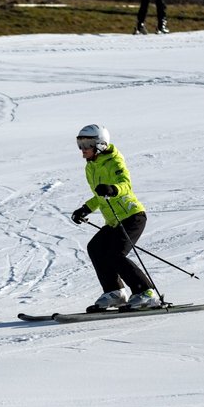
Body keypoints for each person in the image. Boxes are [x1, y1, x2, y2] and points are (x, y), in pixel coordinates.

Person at [70, 124, 162, 310]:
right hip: (114, 220)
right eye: (80, 143)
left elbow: (125, 184)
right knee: (95, 248)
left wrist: (113, 189)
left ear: (101, 144)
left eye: (87, 143)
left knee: (115, 254)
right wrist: (85, 209)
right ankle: (115, 292)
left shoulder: (114, 160)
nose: (83, 148)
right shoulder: (91, 167)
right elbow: (99, 194)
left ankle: (146, 292)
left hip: (132, 216)